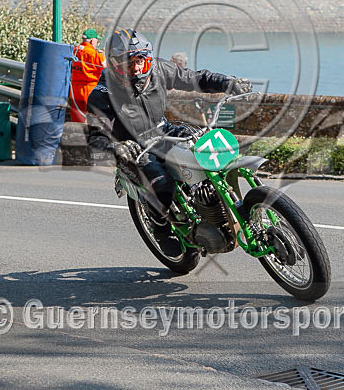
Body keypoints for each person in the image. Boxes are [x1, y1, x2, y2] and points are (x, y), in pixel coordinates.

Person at [87, 29, 251, 257]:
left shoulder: (159, 70)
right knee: (161, 184)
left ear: (147, 58)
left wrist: (227, 82)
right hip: (134, 147)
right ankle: (160, 228)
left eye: (140, 60)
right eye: (127, 63)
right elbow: (95, 137)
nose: (135, 68)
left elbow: (195, 78)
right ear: (114, 64)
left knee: (205, 146)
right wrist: (116, 147)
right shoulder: (102, 94)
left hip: (163, 131)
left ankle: (214, 204)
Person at [68, 28, 106, 123]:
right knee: (91, 116)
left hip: (75, 88)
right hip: (90, 88)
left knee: (77, 114)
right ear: (93, 40)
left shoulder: (74, 50)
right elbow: (106, 69)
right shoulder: (96, 54)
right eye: (96, 39)